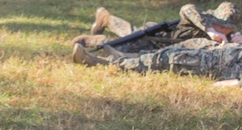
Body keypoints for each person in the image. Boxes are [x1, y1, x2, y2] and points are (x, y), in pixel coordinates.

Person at [72, 3, 242, 54]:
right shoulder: (201, 18)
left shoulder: (234, 32)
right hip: (154, 39)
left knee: (131, 31)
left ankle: (106, 19)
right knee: (116, 48)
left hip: (166, 48)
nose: (223, 28)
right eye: (220, 24)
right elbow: (186, 8)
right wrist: (211, 30)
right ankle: (98, 39)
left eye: (226, 27)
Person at [73, 36, 242, 81]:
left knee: (164, 59)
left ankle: (101, 63)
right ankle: (129, 57)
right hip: (217, 49)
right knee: (188, 44)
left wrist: (229, 84)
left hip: (213, 64)